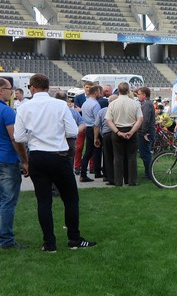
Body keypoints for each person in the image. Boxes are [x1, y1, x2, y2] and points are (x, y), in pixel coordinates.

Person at [13, 74, 95, 252]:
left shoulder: (24, 107)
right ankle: (74, 238)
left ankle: (49, 243)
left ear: (32, 88)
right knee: (70, 198)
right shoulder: (59, 105)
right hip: (58, 155)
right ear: (47, 88)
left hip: (37, 156)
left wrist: (35, 135)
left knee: (43, 201)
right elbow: (72, 131)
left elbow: (19, 137)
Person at [0, 78, 28, 249]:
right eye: (10, 89)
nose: (12, 92)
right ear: (1, 90)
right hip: (7, 160)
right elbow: (15, 138)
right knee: (8, 201)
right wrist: (25, 160)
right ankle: (6, 239)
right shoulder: (7, 112)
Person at [106, 86, 143, 186]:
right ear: (128, 91)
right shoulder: (135, 103)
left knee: (118, 157)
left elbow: (108, 120)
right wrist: (132, 132)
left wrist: (117, 132)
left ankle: (118, 181)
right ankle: (132, 181)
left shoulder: (113, 104)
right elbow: (140, 119)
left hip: (118, 130)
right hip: (131, 129)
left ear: (118, 90)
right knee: (132, 157)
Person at [78, 85, 102, 182]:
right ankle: (97, 172)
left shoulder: (85, 103)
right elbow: (97, 121)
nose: (100, 94)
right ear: (96, 92)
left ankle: (83, 172)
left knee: (88, 152)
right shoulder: (95, 104)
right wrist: (97, 136)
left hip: (87, 128)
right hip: (93, 129)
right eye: (100, 92)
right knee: (97, 151)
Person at [137, 87, 156, 180]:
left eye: (139, 94)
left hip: (145, 133)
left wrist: (144, 132)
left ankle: (149, 174)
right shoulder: (147, 104)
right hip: (147, 131)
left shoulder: (147, 105)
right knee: (145, 153)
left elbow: (145, 120)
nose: (138, 96)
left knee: (146, 154)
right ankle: (148, 173)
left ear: (144, 95)